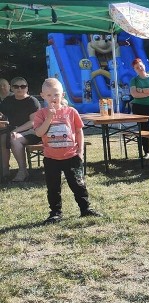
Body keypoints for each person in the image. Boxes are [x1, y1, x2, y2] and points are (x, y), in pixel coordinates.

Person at [31, 78, 101, 223]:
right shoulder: (41, 114)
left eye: (56, 94)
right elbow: (39, 133)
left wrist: (80, 150)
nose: (53, 98)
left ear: (63, 95)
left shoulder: (71, 111)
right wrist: (49, 117)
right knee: (53, 187)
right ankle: (55, 212)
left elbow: (79, 130)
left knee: (78, 184)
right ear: (42, 96)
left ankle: (85, 208)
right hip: (51, 157)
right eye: (49, 95)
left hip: (71, 155)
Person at [0, 76, 41, 182]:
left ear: (27, 88)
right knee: (3, 137)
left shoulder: (32, 101)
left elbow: (33, 122)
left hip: (33, 131)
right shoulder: (8, 100)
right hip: (13, 130)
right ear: (12, 88)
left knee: (14, 138)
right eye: (16, 86)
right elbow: (2, 114)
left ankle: (23, 171)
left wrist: (16, 131)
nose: (20, 89)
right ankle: (4, 171)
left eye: (23, 86)